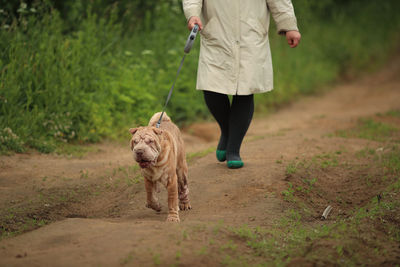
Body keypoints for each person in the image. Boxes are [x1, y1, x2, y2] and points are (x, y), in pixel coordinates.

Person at [182, 0, 301, 169]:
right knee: (211, 86)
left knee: (245, 89)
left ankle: (233, 149)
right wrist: (193, 14)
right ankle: (227, 129)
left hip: (251, 33)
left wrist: (289, 25)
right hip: (217, 32)